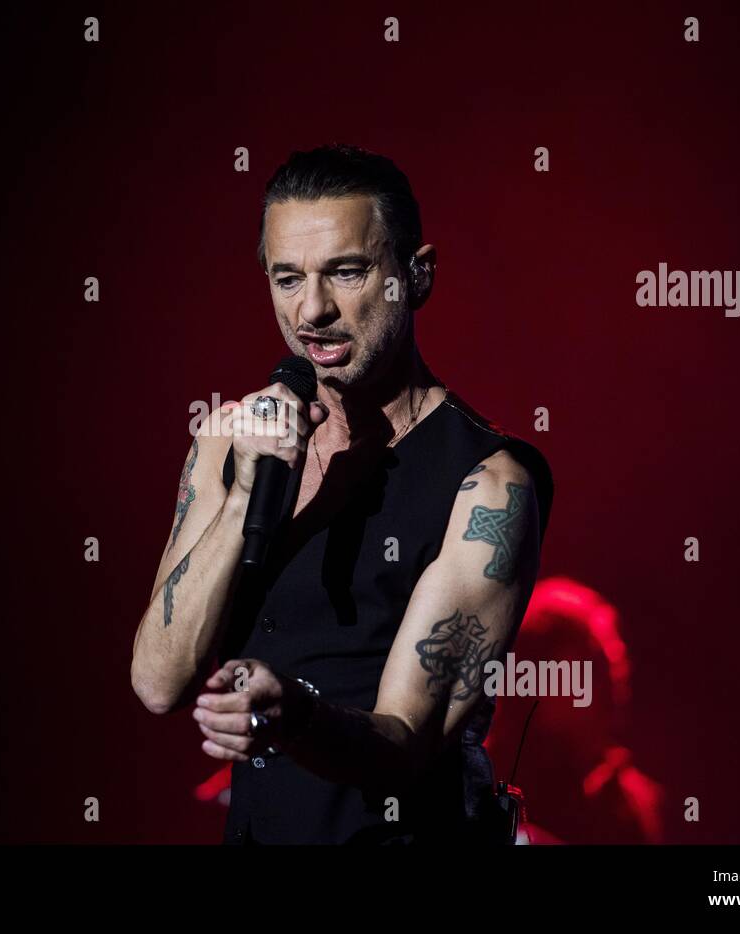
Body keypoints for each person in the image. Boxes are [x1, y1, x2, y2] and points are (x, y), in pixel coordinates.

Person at [130, 144, 554, 843]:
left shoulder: (488, 485)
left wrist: (291, 713)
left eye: (347, 272)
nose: (313, 310)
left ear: (416, 277)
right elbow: (157, 682)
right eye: (287, 278)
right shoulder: (230, 443)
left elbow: (406, 744)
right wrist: (243, 497)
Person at [485, 577, 664, 844]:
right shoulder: (478, 786)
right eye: (589, 668)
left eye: (608, 666)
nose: (613, 684)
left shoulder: (625, 806)